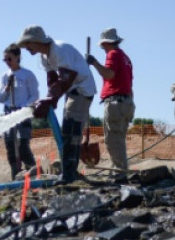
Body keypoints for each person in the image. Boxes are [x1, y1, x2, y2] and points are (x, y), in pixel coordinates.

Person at [15, 25, 97, 183]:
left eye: (27, 44)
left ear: (36, 41)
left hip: (82, 89)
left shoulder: (59, 50)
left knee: (71, 131)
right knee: (69, 131)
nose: (26, 48)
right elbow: (52, 80)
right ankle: (69, 173)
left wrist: (51, 99)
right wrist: (50, 100)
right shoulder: (44, 57)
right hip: (71, 90)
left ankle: (69, 175)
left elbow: (67, 76)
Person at [86, 28, 134, 172]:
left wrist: (94, 62)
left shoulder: (113, 54)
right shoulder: (125, 57)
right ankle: (120, 169)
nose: (102, 48)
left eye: (102, 45)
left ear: (106, 43)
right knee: (118, 139)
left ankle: (120, 172)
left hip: (115, 102)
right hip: (127, 102)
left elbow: (109, 74)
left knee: (113, 140)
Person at [0, 44, 39, 179]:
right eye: (5, 60)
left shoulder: (28, 75)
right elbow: (1, 98)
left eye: (10, 59)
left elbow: (34, 95)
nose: (7, 62)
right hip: (9, 112)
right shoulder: (4, 76)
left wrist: (25, 107)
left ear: (17, 57)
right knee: (10, 145)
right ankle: (15, 174)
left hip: (23, 112)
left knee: (22, 145)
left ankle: (33, 172)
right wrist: (7, 88)